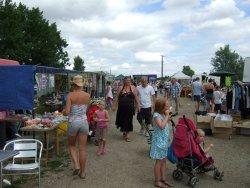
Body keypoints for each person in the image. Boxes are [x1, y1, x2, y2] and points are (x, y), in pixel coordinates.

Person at [63, 75, 90, 179]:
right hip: (84, 122)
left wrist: (63, 112)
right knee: (82, 148)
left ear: (73, 84)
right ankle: (83, 173)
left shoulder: (70, 95)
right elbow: (86, 110)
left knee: (71, 145)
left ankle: (76, 165)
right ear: (82, 84)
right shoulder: (87, 95)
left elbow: (67, 112)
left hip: (73, 122)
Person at [150, 98, 173, 188]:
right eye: (166, 106)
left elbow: (165, 124)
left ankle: (163, 179)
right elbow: (161, 126)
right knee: (159, 162)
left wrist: (167, 118)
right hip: (158, 143)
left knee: (163, 161)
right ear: (161, 107)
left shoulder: (163, 114)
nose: (168, 107)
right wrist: (167, 116)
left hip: (164, 142)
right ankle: (157, 181)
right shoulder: (156, 115)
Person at [112, 76, 140, 142]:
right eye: (127, 80)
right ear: (124, 81)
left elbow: (136, 98)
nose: (128, 82)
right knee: (122, 120)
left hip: (130, 108)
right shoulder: (120, 88)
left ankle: (127, 135)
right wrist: (114, 105)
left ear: (131, 81)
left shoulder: (133, 88)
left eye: (129, 80)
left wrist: (138, 106)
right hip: (121, 108)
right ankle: (124, 131)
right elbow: (116, 97)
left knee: (128, 120)